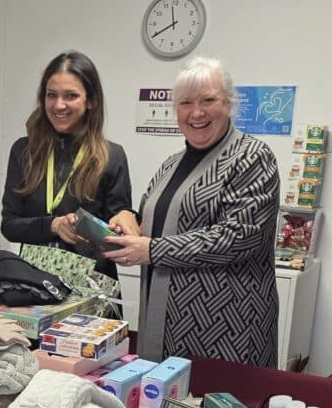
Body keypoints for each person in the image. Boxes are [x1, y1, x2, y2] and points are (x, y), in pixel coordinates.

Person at [103, 57, 279, 367]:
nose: (196, 113)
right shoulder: (171, 164)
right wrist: (129, 218)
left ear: (229, 103)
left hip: (225, 329)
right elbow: (154, 220)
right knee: (158, 404)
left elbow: (238, 237)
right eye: (186, 103)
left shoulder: (252, 156)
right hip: (162, 323)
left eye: (208, 100)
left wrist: (153, 250)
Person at [1, 50, 136, 278]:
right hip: (34, 285)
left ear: (91, 100)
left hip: (91, 286)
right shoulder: (24, 151)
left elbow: (118, 234)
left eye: (70, 96)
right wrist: (53, 225)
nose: (58, 105)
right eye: (51, 95)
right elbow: (10, 226)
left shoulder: (111, 155)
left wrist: (124, 223)